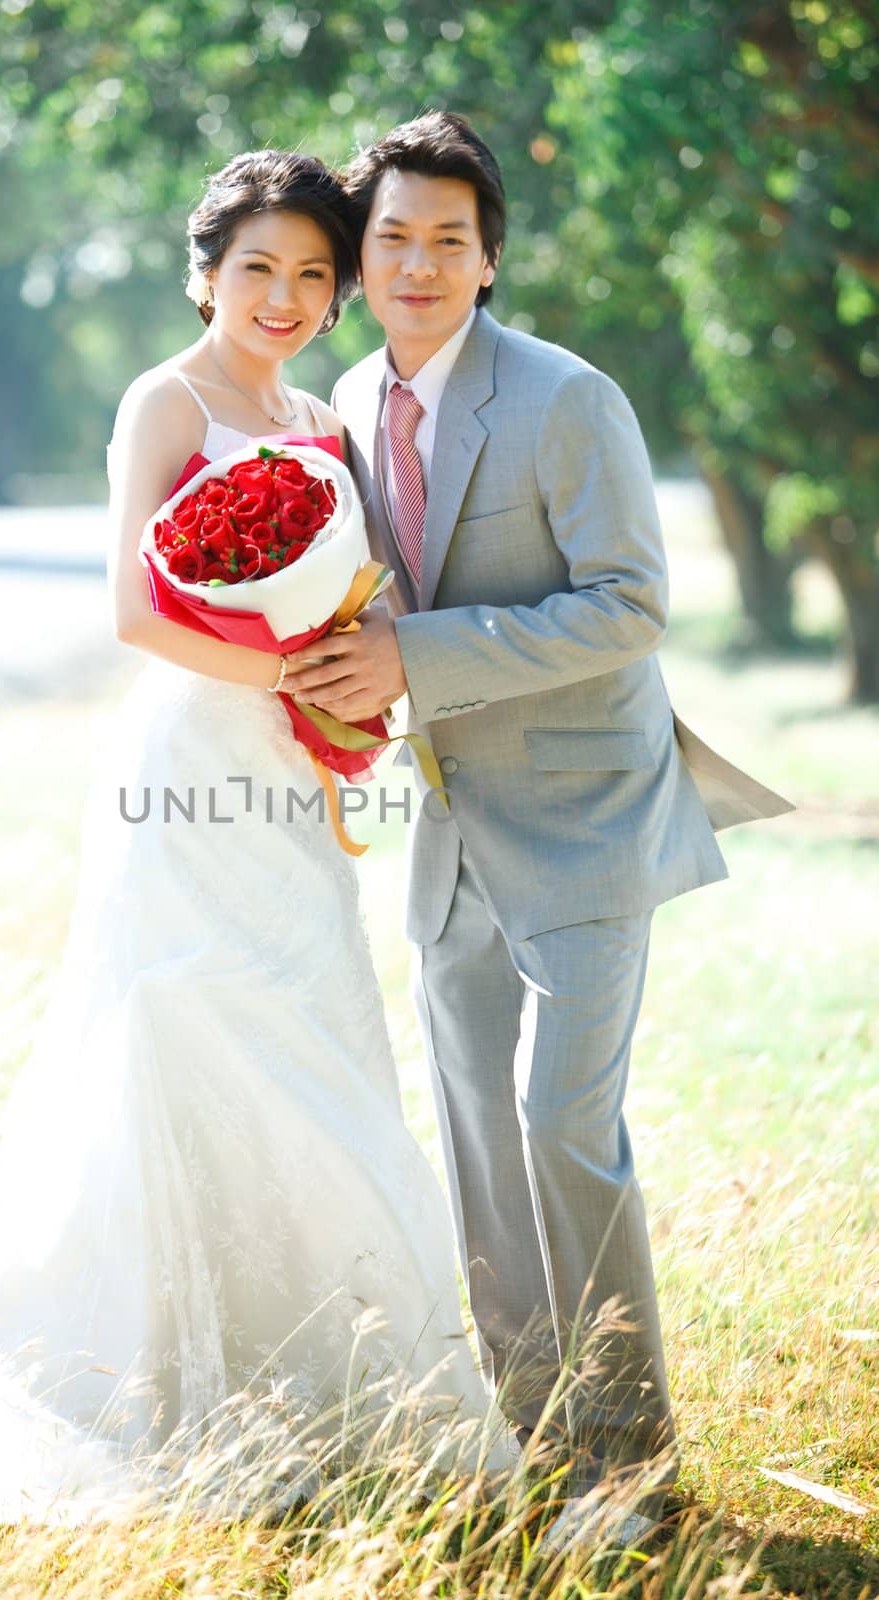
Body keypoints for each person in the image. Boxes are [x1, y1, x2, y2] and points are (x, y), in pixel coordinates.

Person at [0, 149, 514, 1526]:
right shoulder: (166, 399)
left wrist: (345, 698)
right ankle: (156, 1379)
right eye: (259, 266)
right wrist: (294, 681)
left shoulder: (322, 410)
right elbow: (137, 613)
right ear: (206, 273)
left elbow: (345, 593)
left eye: (316, 274)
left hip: (295, 772)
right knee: (177, 1024)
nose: (287, 294)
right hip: (191, 755)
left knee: (308, 1033)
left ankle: (325, 1369)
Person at [283, 112, 792, 1550]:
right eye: (394, 237)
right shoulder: (341, 397)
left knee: (563, 1129)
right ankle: (533, 1437)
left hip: (585, 818)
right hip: (450, 835)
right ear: (358, 262)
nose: (422, 261)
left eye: (452, 238)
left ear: (491, 258)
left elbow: (630, 605)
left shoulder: (571, 399)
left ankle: (628, 1468)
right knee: (478, 1146)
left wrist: (414, 659)